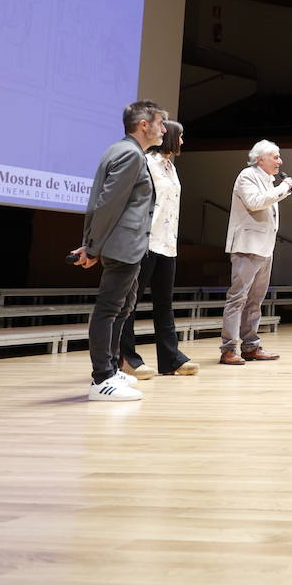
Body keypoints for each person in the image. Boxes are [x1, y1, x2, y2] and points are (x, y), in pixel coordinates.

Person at [70, 100, 165, 401]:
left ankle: (111, 369)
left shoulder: (126, 151)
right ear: (144, 124)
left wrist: (91, 242)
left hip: (128, 246)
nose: (164, 129)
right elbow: (107, 204)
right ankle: (101, 379)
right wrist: (93, 246)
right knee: (109, 309)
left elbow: (101, 201)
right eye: (161, 123)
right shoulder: (129, 154)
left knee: (124, 306)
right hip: (120, 246)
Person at [118, 119, 198, 378]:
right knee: (131, 302)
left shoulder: (171, 168)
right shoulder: (146, 162)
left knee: (164, 303)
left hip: (167, 243)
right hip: (145, 241)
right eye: (181, 136)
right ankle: (126, 358)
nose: (183, 142)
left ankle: (170, 358)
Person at [221, 139, 292, 365]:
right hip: (247, 246)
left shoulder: (269, 180)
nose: (280, 161)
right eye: (276, 157)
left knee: (256, 299)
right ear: (260, 159)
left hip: (264, 248)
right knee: (238, 298)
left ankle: (251, 345)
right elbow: (255, 203)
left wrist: (279, 188)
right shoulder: (247, 176)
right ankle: (228, 349)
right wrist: (284, 188)